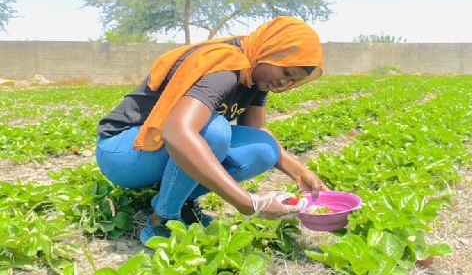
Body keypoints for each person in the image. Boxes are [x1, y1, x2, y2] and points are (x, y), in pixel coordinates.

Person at [96, 16, 327, 246]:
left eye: (292, 81)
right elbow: (177, 132)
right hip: (122, 152)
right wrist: (249, 204)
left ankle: (178, 200)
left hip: (157, 149)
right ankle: (163, 219)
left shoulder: (255, 74)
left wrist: (300, 173)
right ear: (271, 51)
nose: (284, 84)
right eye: (286, 72)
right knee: (213, 132)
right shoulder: (226, 66)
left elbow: (257, 128)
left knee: (264, 149)